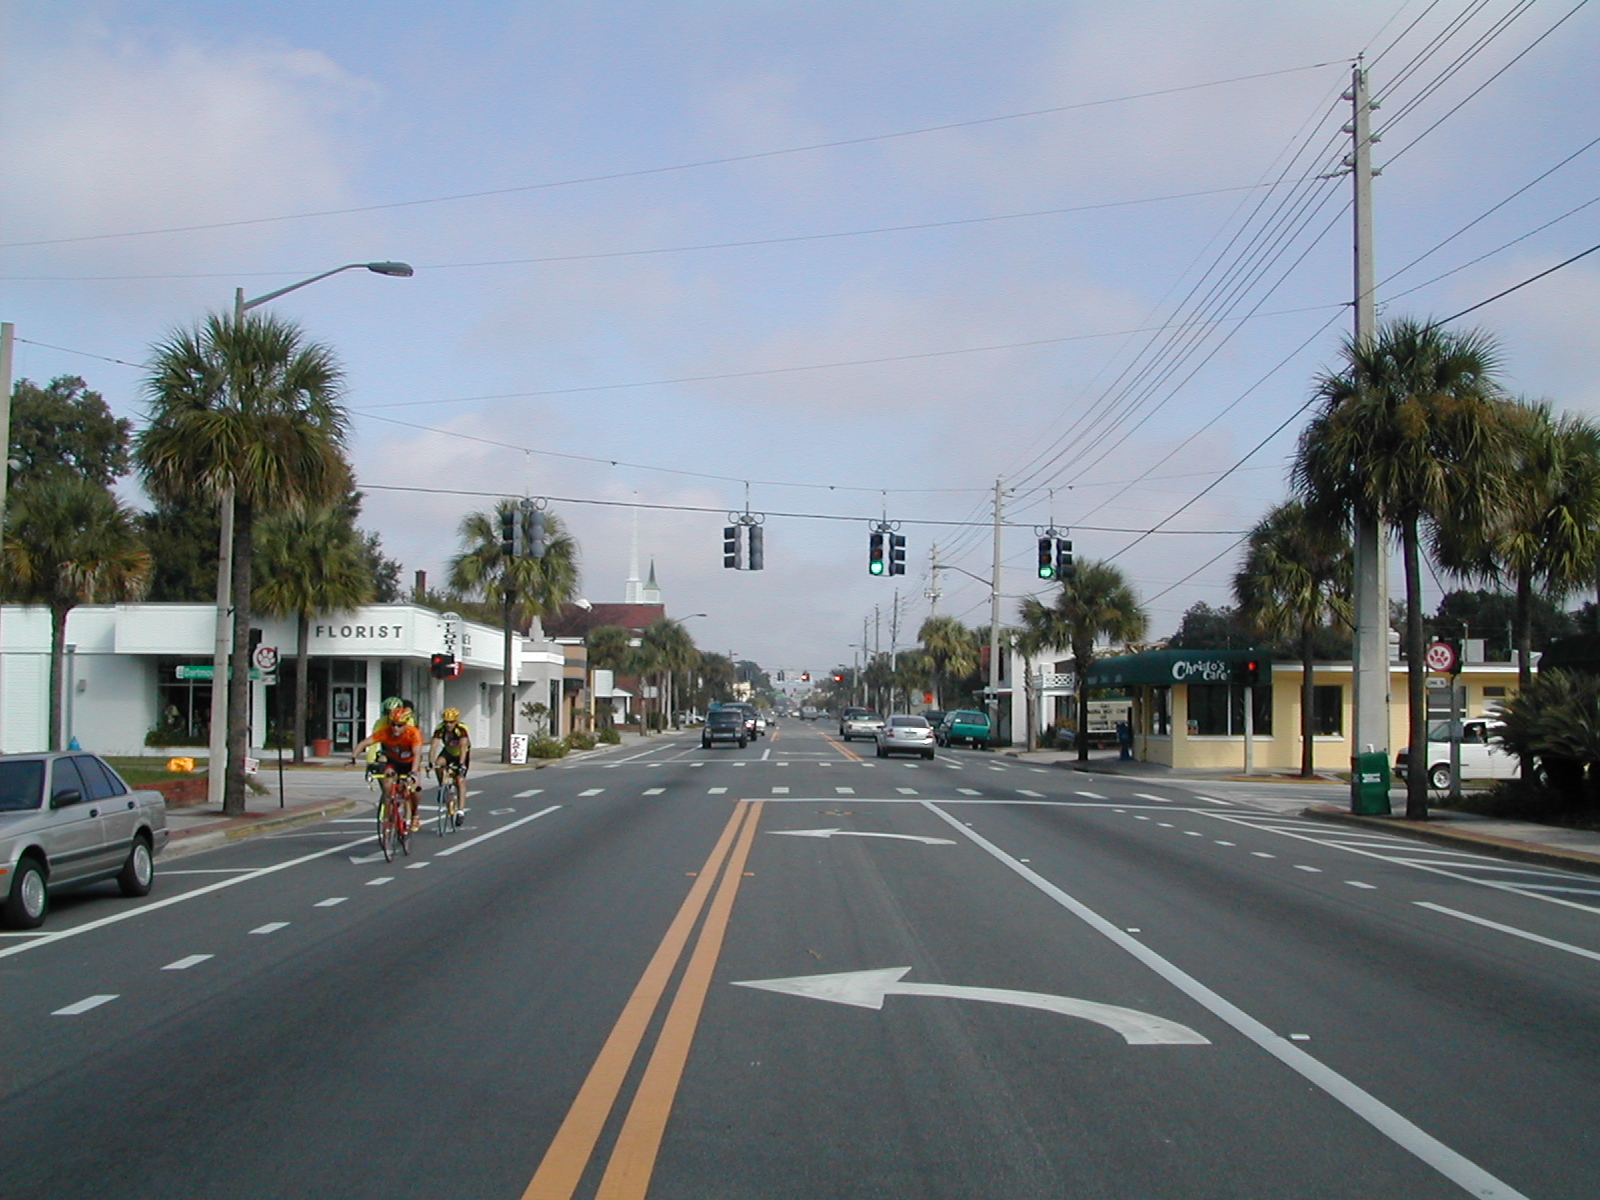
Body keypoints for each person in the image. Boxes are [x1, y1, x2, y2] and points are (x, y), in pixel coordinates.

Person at [353, 705, 425, 830]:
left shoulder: (413, 733)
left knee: (415, 789)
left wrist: (413, 772)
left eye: (399, 725)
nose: (395, 728)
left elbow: (417, 754)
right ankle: (392, 808)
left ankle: (415, 814)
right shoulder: (386, 732)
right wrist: (354, 756)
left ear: (405, 724)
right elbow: (365, 742)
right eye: (393, 724)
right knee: (387, 782)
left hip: (410, 763)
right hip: (394, 761)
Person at [430, 707, 472, 826]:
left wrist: (462, 764)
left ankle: (460, 811)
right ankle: (442, 786)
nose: (448, 725)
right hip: (448, 752)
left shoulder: (461, 729)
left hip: (461, 754)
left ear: (456, 721)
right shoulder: (440, 729)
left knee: (460, 780)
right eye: (446, 722)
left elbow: (464, 747)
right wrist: (430, 762)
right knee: (438, 764)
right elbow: (434, 746)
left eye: (451, 722)